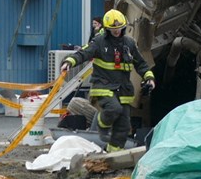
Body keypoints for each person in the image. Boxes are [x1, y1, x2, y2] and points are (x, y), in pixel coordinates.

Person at [61, 9, 155, 151]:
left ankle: (112, 154)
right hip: (103, 86)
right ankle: (101, 124)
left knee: (123, 128)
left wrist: (149, 78)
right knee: (113, 108)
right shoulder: (99, 42)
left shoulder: (129, 44)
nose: (116, 31)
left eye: (118, 28)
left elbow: (141, 64)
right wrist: (69, 61)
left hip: (123, 90)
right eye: (113, 29)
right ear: (107, 29)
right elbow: (84, 53)